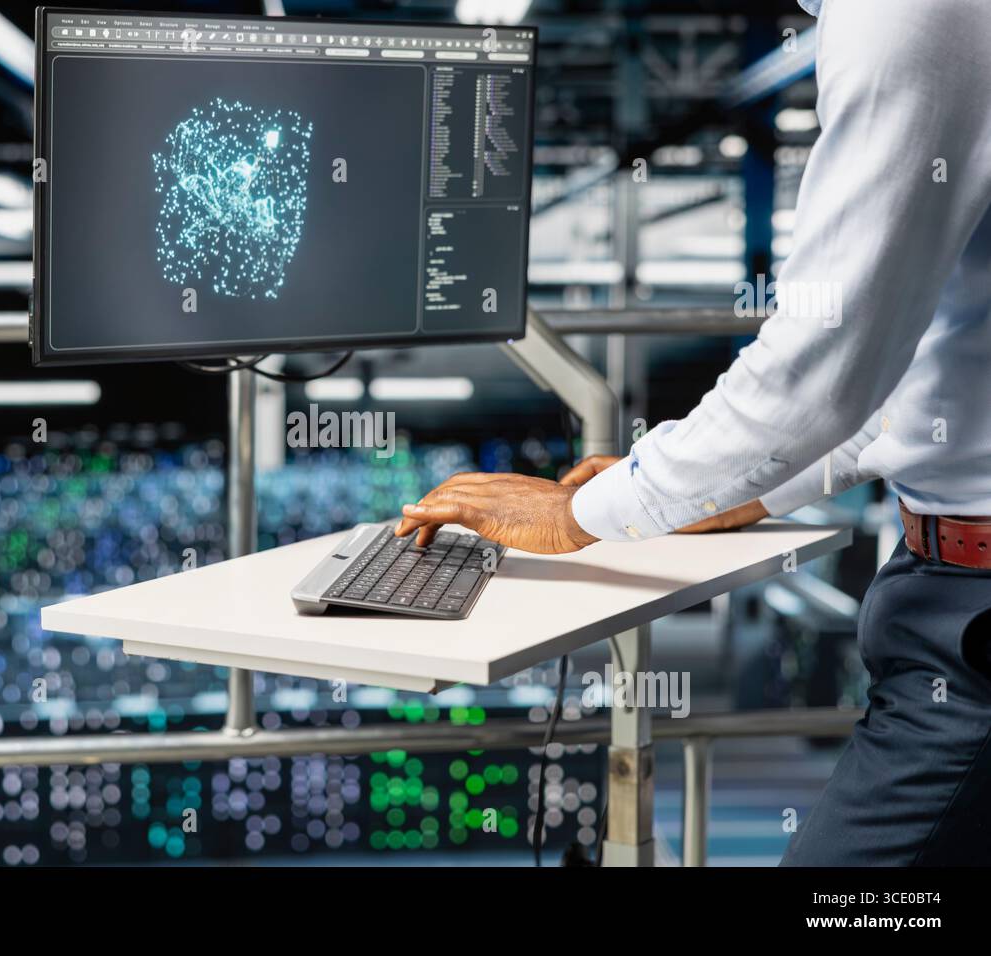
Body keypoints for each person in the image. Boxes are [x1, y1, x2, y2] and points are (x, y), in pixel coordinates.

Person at [396, 0, 991, 866]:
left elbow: (826, 363)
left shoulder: (903, 9)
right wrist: (742, 487)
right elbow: (929, 362)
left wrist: (583, 514)